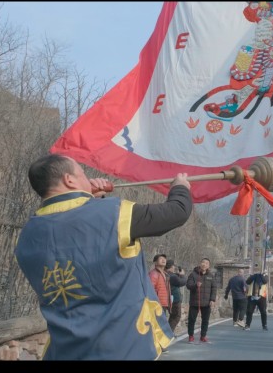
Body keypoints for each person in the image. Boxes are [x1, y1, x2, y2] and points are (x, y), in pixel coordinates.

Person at [14, 154, 192, 360]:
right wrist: (180, 187)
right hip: (123, 347)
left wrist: (89, 200)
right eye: (82, 173)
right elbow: (177, 211)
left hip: (65, 350)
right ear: (69, 180)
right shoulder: (116, 213)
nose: (87, 178)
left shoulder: (26, 236)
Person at [185, 257, 218, 343]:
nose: (204, 264)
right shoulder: (193, 274)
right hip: (195, 302)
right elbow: (188, 286)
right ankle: (191, 336)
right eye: (203, 262)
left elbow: (214, 288)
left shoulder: (211, 276)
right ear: (200, 263)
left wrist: (212, 299)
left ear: (208, 265)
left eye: (206, 263)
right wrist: (196, 285)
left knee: (205, 320)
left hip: (207, 303)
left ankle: (203, 336)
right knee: (192, 320)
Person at [166, 259, 187, 334]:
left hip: (169, 298)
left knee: (172, 316)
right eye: (174, 266)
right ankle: (168, 333)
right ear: (171, 266)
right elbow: (182, 282)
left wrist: (178, 275)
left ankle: (168, 332)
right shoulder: (172, 276)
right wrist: (182, 275)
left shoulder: (165, 274)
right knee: (176, 316)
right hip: (175, 299)